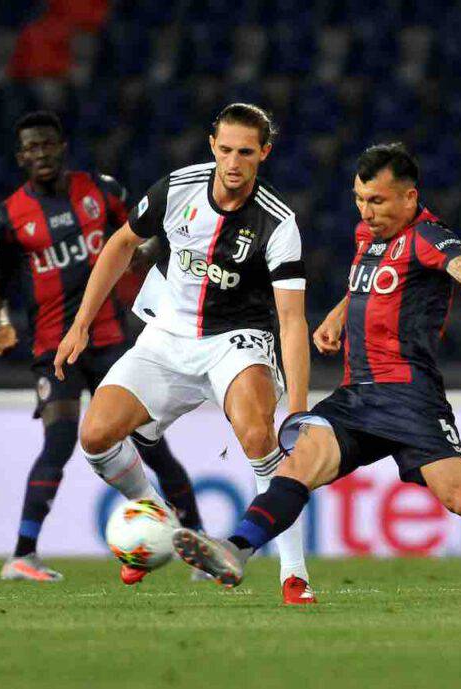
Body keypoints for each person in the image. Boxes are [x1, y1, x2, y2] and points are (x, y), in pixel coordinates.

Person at [172, 143, 461, 606]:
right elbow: (366, 285)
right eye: (359, 199)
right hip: (357, 397)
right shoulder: (366, 236)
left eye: (378, 201)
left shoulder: (427, 237)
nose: (366, 211)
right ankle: (235, 549)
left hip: (411, 399)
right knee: (299, 463)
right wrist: (338, 315)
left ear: (409, 199)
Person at [53, 103, 316, 605]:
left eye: (245, 152)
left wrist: (298, 407)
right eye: (225, 150)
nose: (233, 162)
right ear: (211, 145)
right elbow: (121, 244)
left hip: (236, 340)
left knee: (258, 433)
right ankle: (157, 519)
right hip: (168, 335)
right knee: (95, 435)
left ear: (264, 152)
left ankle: (294, 574)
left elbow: (290, 319)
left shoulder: (279, 224)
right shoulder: (178, 189)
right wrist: (81, 324)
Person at [0, 111, 204, 582]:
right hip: (53, 349)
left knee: (151, 444)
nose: (40, 154)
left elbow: (140, 238)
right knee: (60, 441)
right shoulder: (8, 218)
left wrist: (144, 257)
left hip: (109, 342)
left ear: (62, 145)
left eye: (47, 144)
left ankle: (199, 546)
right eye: (30, 148)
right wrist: (2, 321)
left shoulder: (103, 191)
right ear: (20, 157)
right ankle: (23, 554)